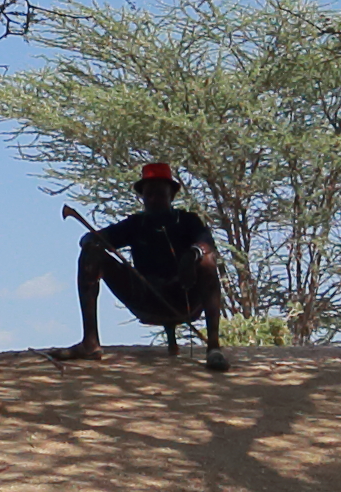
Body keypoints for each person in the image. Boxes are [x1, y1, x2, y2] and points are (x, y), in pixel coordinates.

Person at [72, 158, 228, 372]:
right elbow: (93, 238)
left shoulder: (187, 221)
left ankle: (213, 347)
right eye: (149, 194)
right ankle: (90, 342)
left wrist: (192, 255)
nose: (154, 200)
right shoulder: (135, 224)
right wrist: (90, 241)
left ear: (171, 196)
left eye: (160, 194)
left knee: (208, 261)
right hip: (146, 297)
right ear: (142, 198)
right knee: (90, 255)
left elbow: (207, 243)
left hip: (185, 296)